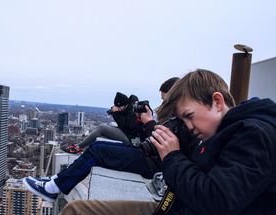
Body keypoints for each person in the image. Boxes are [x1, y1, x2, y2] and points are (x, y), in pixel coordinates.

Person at [18, 69, 276, 215]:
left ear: (217, 102)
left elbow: (218, 202)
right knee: (75, 212)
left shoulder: (254, 135)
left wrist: (173, 156)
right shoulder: (220, 132)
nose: (186, 125)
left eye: (188, 115)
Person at [23, 78, 180, 203]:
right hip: (146, 154)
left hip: (151, 163)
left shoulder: (179, 121)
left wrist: (148, 122)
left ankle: (52, 188)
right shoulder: (174, 118)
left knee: (97, 151)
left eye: (165, 99)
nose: (163, 103)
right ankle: (55, 180)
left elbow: (158, 141)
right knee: (97, 145)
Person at [62, 92, 142, 154]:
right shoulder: (129, 107)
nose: (119, 109)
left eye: (119, 107)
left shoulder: (132, 111)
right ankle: (83, 150)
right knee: (100, 136)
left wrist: (116, 114)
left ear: (125, 105)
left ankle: (78, 148)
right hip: (127, 134)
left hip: (130, 139)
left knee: (102, 128)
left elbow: (126, 125)